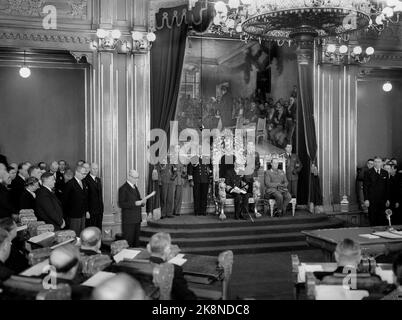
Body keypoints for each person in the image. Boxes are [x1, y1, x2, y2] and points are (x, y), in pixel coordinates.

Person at [147, 233, 196, 300]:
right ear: (167, 249)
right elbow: (184, 294)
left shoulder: (138, 264)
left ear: (149, 248)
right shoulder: (173, 269)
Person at [118, 170, 145, 247]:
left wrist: (142, 202)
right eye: (135, 177)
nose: (136, 179)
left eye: (137, 177)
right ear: (129, 177)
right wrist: (134, 203)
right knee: (128, 242)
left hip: (137, 219)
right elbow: (121, 204)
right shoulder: (123, 188)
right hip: (129, 221)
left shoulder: (135, 187)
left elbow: (138, 199)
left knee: (136, 242)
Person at [363, 156, 390, 226]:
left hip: (382, 200)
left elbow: (387, 187)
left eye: (379, 162)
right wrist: (366, 199)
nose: (377, 163)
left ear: (382, 163)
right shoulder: (368, 172)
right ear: (373, 163)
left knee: (382, 218)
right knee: (373, 218)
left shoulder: (385, 173)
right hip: (372, 200)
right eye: (375, 161)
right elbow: (365, 187)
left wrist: (387, 199)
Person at [63, 166, 89, 235]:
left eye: (85, 174)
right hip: (73, 215)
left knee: (82, 233)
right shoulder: (70, 184)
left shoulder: (84, 182)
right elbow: (65, 200)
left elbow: (85, 198)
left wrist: (86, 211)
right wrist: (68, 215)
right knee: (74, 234)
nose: (84, 176)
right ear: (77, 172)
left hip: (82, 213)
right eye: (83, 173)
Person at [84, 163, 104, 229]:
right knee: (91, 230)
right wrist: (86, 211)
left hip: (99, 210)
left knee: (98, 229)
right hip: (91, 211)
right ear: (90, 169)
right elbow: (85, 197)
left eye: (97, 169)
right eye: (93, 168)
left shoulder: (98, 180)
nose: (95, 170)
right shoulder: (86, 180)